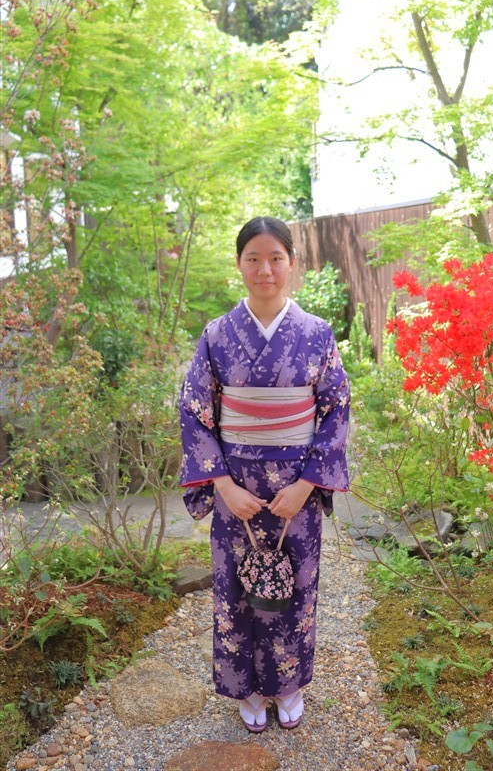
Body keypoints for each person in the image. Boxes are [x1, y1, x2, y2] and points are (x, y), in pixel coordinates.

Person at [179, 216, 350, 733]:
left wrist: (307, 484)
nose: (265, 269)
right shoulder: (217, 335)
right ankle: (247, 688)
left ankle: (288, 685)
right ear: (239, 264)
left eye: (275, 258)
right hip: (236, 492)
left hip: (297, 493)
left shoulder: (316, 334)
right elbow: (195, 412)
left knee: (296, 588)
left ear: (292, 263)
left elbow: (335, 409)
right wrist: (223, 486)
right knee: (235, 591)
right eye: (253, 258)